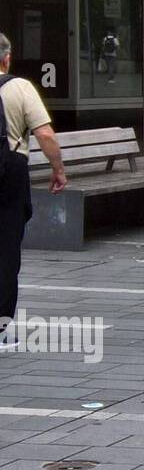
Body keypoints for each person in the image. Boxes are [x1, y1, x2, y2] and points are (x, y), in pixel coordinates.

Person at [0, 33, 68, 339]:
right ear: (7, 57)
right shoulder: (20, 87)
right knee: (6, 247)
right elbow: (45, 134)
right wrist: (58, 170)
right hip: (9, 172)